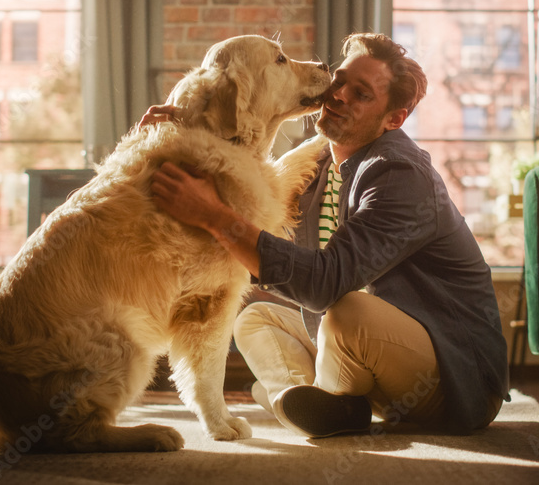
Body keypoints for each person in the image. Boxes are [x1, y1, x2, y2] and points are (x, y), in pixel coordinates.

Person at [148, 33, 509, 438]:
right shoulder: (317, 163)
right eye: (340, 80)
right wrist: (186, 121)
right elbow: (244, 195)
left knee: (347, 310)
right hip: (372, 363)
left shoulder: (400, 175)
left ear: (394, 119)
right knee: (255, 319)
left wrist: (212, 216)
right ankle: (307, 400)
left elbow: (323, 284)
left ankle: (310, 398)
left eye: (362, 94)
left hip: (452, 381)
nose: (338, 96)